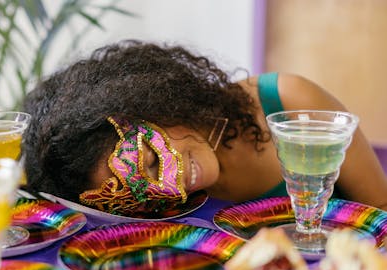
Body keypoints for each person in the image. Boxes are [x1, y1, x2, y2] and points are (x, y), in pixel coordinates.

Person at [22, 40, 387, 216]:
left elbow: (381, 211)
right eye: (140, 199)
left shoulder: (291, 104)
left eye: (150, 162)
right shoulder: (163, 210)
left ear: (151, 105)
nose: (171, 190)